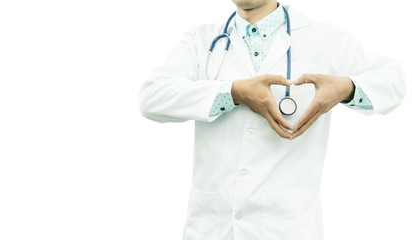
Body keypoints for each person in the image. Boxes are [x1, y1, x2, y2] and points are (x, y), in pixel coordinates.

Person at [139, 0, 405, 239]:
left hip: (287, 227)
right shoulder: (201, 40)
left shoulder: (325, 39)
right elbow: (152, 96)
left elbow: (393, 80)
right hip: (212, 226)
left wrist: (347, 88)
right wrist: (234, 92)